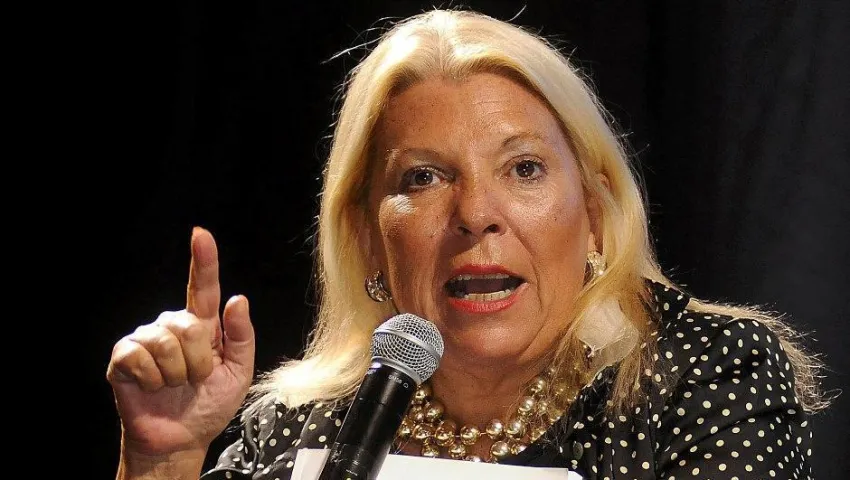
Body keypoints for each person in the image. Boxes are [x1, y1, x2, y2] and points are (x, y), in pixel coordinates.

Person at [106, 9, 830, 480]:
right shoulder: (301, 429)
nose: (476, 214)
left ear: (597, 214)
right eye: (422, 177)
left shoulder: (702, 377)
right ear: (366, 237)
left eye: (524, 169)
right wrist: (164, 461)